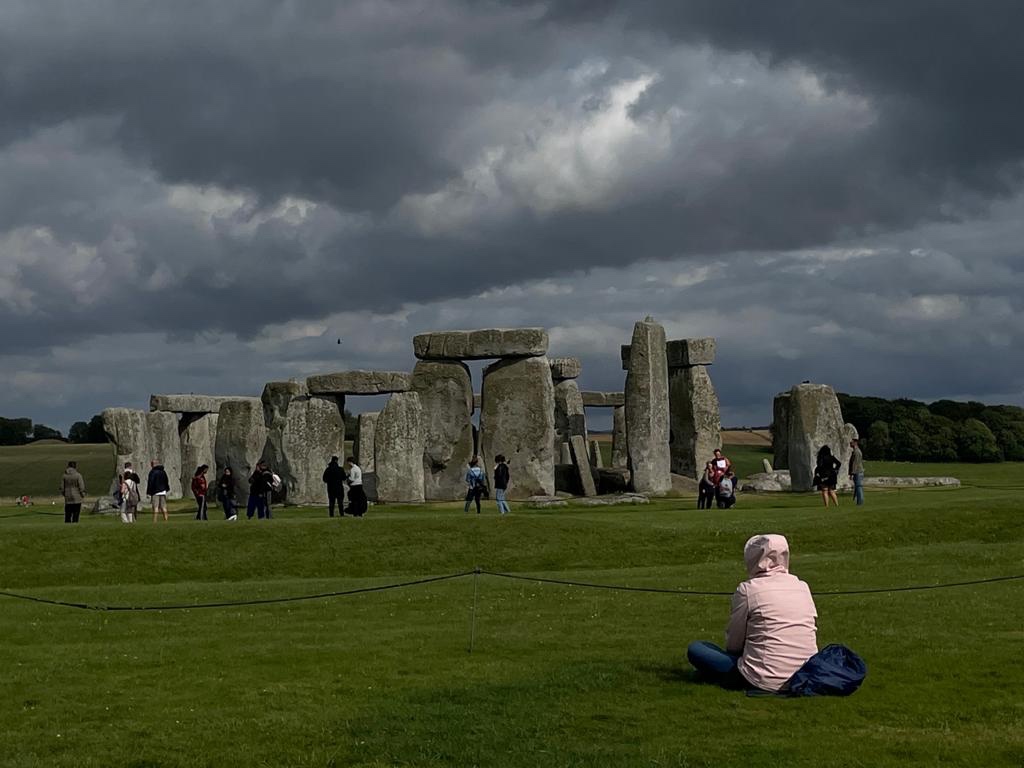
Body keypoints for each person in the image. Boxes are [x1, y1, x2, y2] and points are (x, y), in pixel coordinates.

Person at [687, 534, 818, 692]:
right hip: (806, 674)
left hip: (761, 679)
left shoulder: (748, 589)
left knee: (697, 649)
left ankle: (714, 674)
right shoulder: (802, 586)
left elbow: (734, 644)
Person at [848, 438, 865, 506]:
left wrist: (852, 473)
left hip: (857, 472)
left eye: (851, 442)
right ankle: (857, 500)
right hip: (858, 471)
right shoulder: (856, 451)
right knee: (857, 487)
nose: (850, 443)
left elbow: (855, 464)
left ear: (855, 443)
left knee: (858, 487)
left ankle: (860, 502)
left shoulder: (856, 452)